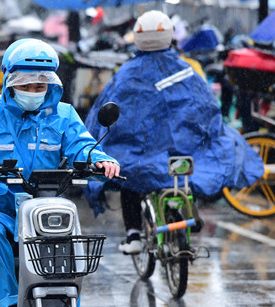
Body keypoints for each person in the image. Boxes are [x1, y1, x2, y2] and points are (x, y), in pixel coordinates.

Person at [0, 38, 121, 307]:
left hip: (44, 204)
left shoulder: (64, 114)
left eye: (40, 86)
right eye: (26, 86)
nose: (33, 92)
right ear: (9, 82)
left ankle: (68, 305)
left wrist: (100, 161)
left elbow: (82, 146)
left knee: (70, 235)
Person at [83, 10, 264, 254]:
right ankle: (189, 211)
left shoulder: (127, 73)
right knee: (186, 174)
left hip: (140, 153)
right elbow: (206, 107)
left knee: (128, 176)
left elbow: (104, 113)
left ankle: (133, 234)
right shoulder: (186, 69)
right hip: (181, 151)